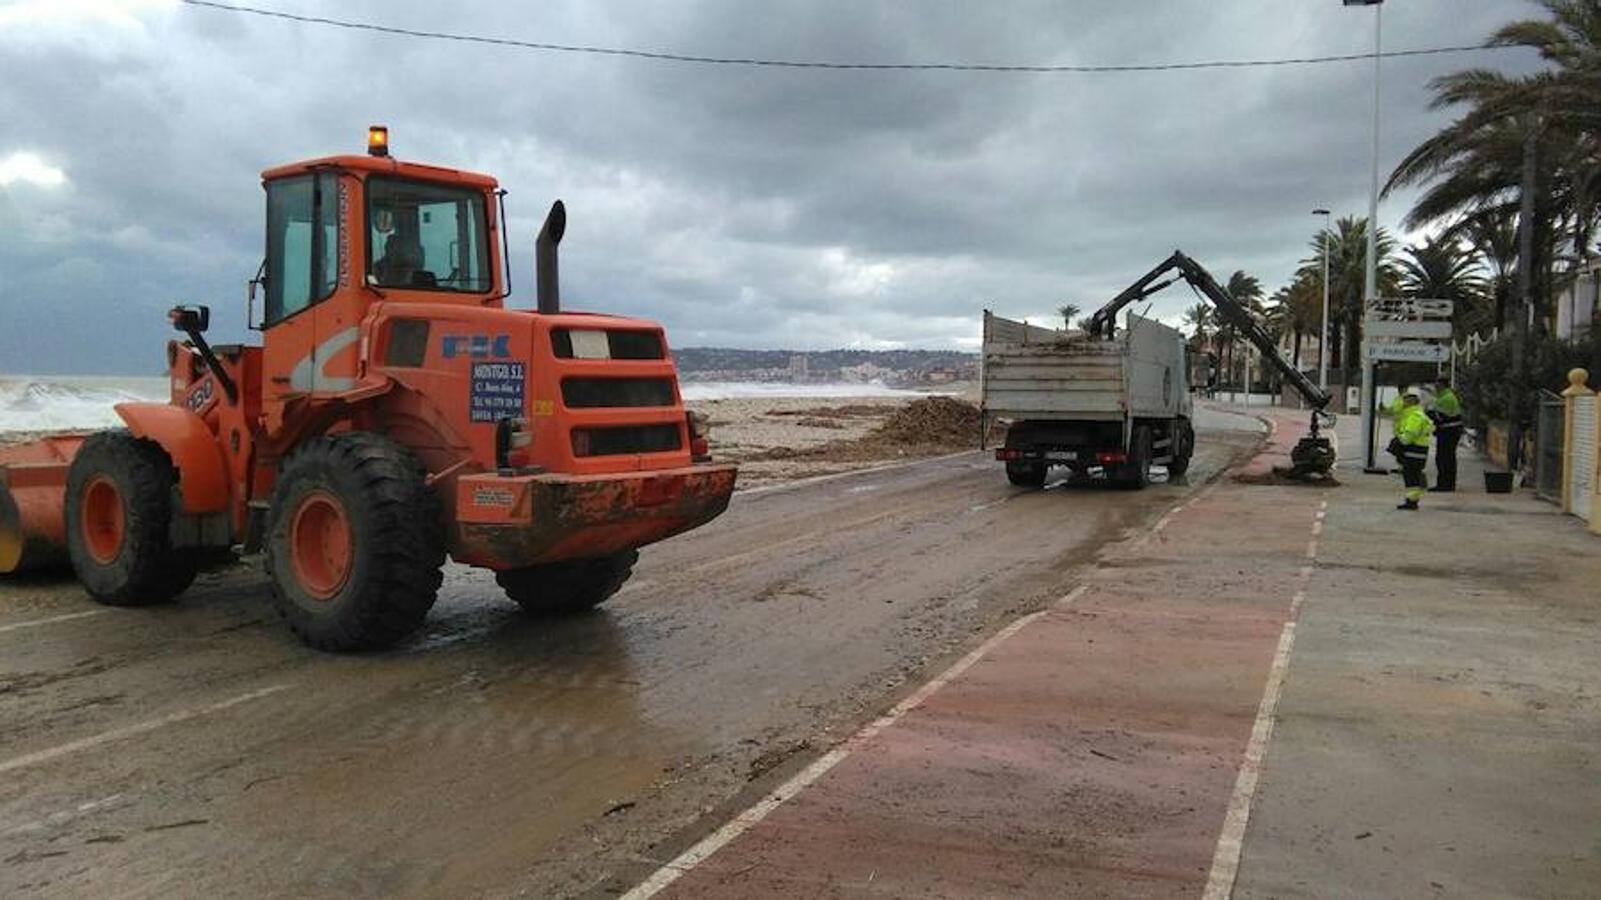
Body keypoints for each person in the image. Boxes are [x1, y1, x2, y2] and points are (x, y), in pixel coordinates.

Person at [1391, 389, 1435, 510]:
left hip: (1413, 451)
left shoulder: (1414, 416)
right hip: (1418, 452)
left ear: (1410, 402)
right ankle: (1412, 500)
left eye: (1405, 401)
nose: (1402, 403)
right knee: (1413, 477)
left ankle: (1411, 501)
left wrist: (1398, 440)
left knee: (1411, 478)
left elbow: (1408, 437)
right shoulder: (1417, 414)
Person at [1427, 377, 1463, 492]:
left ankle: (1444, 484)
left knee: (1444, 458)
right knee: (1448, 458)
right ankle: (1447, 484)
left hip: (1448, 432)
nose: (1435, 386)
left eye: (1437, 384)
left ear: (1442, 385)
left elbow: (1441, 417)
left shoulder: (1446, 398)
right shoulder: (1445, 396)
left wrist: (1430, 414)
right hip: (1449, 430)